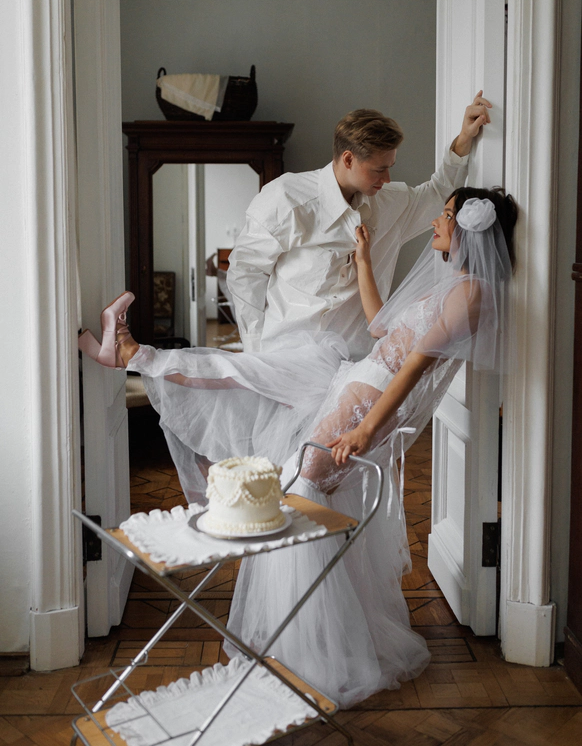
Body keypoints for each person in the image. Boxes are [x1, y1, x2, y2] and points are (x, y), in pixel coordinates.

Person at [79, 184, 517, 708]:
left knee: (301, 490)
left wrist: (364, 430)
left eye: (445, 215)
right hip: (354, 379)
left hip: (367, 398)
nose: (435, 223)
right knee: (247, 378)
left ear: (470, 229)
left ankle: (306, 651)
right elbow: (382, 329)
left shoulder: (470, 294)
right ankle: (131, 354)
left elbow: (413, 369)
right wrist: (363, 263)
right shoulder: (453, 285)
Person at [227, 93, 492, 360]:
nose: (387, 178)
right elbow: (245, 273)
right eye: (378, 170)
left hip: (351, 365)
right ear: (348, 159)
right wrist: (255, 352)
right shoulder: (285, 198)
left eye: (390, 167)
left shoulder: (391, 204)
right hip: (283, 358)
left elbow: (438, 193)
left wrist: (464, 137)